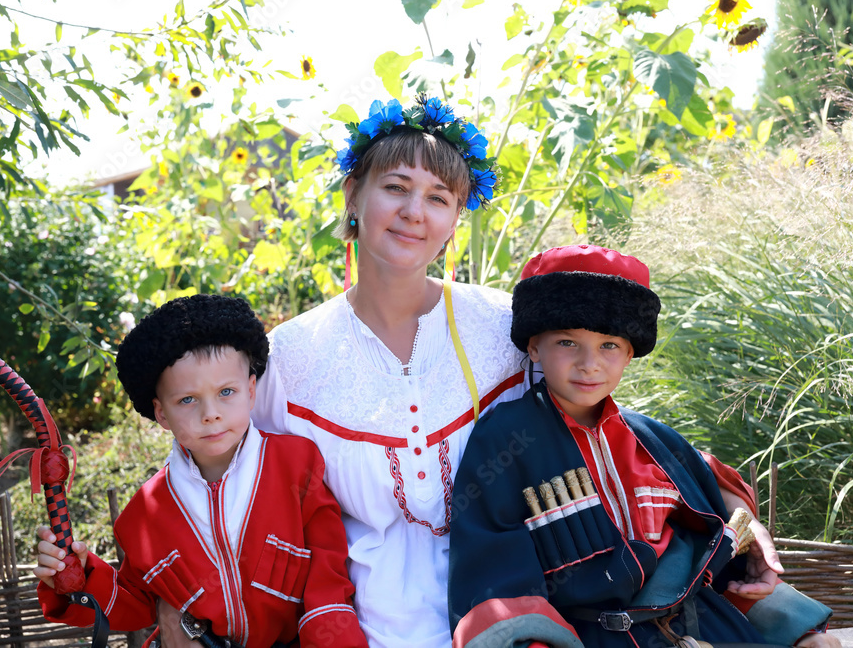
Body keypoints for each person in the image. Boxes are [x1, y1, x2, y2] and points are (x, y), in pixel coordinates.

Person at [246, 97, 781, 648]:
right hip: (359, 626)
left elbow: (612, 439)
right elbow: (219, 482)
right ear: (353, 194)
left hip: (532, 619)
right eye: (396, 187)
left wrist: (739, 513)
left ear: (456, 219)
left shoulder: (504, 325)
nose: (414, 211)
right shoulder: (289, 358)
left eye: (438, 197)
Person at [447, 244, 838, 648]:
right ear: (533, 346)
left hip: (703, 626)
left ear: (631, 352)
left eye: (609, 346)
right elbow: (492, 568)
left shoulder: (651, 437)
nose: (589, 363)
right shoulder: (505, 441)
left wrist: (796, 625)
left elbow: (711, 523)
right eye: (567, 342)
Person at [33, 294, 368, 648]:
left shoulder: (296, 467)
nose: (211, 414)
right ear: (161, 414)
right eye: (187, 400)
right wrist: (77, 578)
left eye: (226, 391)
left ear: (251, 391)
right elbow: (135, 606)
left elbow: (327, 573)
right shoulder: (147, 515)